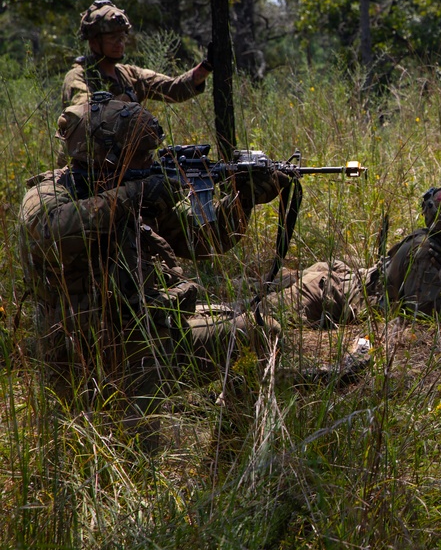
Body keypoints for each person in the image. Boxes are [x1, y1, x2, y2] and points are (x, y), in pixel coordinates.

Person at [18, 96, 285, 425]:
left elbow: (204, 239)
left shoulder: (134, 187)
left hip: (149, 333)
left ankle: (231, 458)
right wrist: (133, 195)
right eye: (140, 155)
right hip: (87, 358)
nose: (149, 161)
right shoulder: (49, 194)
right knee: (132, 459)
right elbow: (52, 233)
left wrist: (244, 199)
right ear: (105, 154)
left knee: (258, 332)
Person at [266, 185, 441, 325]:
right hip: (333, 293)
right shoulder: (424, 251)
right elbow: (428, 311)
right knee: (261, 310)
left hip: (349, 275)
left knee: (268, 285)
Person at [61, 0, 212, 113]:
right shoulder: (78, 77)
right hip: (91, 155)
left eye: (121, 38)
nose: (119, 44)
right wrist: (125, 100)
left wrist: (206, 67)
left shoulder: (130, 75)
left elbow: (173, 89)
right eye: (112, 38)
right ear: (94, 42)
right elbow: (85, 113)